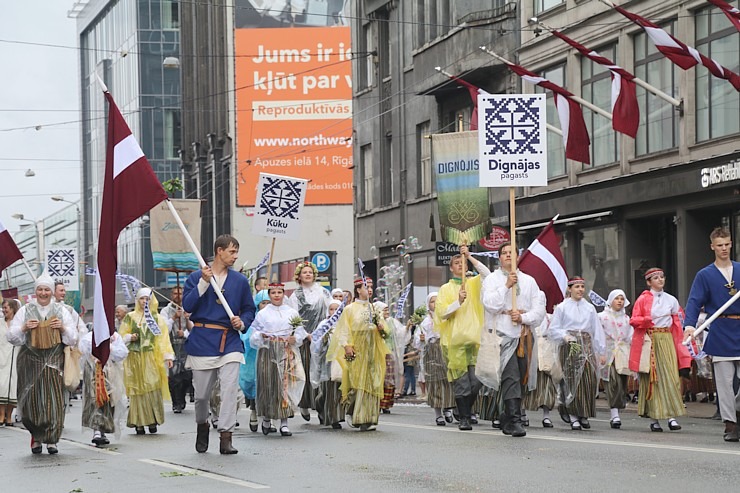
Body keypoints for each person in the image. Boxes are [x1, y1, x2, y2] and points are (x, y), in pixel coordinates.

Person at [182, 234, 256, 454]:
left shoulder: (240, 281)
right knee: (202, 395)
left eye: (236, 252)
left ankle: (226, 435)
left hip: (230, 341)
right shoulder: (196, 277)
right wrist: (204, 283)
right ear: (219, 251)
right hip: (203, 341)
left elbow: (249, 309)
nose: (235, 256)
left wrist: (242, 322)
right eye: (232, 251)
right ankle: (202, 424)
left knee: (229, 390)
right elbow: (188, 305)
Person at [7, 273, 79, 454]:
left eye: (47, 289)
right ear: (35, 291)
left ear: (52, 292)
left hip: (54, 361)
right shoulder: (25, 310)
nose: (43, 293)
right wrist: (24, 327)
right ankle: (36, 437)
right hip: (30, 361)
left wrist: (61, 327)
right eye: (40, 289)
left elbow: (73, 338)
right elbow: (11, 336)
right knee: (31, 402)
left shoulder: (62, 311)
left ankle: (52, 439)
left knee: (53, 400)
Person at [482, 242, 546, 437]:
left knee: (522, 378)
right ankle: (516, 419)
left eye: (512, 252)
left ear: (518, 256)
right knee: (511, 377)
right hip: (502, 334)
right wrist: (506, 286)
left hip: (524, 335)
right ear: (499, 257)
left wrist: (523, 318)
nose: (508, 255)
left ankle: (507, 416)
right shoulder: (492, 280)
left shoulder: (529, 281)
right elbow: (490, 304)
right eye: (504, 253)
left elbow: (539, 310)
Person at [685, 227, 740, 442]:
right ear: (712, 247)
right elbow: (694, 301)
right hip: (720, 331)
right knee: (725, 384)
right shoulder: (705, 275)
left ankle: (737, 410)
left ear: (731, 244)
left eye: (727, 244)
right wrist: (689, 325)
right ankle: (731, 424)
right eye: (720, 245)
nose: (724, 248)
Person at [435, 245, 491, 431]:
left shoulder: (475, 283)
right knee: (462, 383)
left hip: (475, 340)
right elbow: (442, 313)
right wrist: (457, 302)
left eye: (463, 262)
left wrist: (470, 256)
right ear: (451, 268)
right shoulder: (445, 288)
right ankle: (465, 417)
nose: (461, 265)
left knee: (476, 381)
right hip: (455, 342)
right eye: (457, 263)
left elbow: (487, 273)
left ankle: (462, 410)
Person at [629, 268, 690, 432]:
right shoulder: (642, 300)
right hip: (651, 339)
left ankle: (671, 416)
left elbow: (679, 322)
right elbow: (634, 320)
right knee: (653, 379)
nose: (660, 280)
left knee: (671, 376)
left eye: (662, 277)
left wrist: (682, 343)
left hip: (667, 339)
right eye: (656, 278)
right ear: (649, 282)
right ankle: (655, 419)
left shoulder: (671, 300)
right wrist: (647, 319)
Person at [329, 278, 390, 431]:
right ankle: (352, 411)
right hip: (357, 348)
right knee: (357, 383)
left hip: (373, 350)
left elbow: (385, 333)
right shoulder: (349, 309)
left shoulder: (374, 308)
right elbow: (343, 330)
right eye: (366, 287)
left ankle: (368, 418)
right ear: (358, 289)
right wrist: (347, 346)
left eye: (371, 287)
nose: (369, 290)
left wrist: (382, 327)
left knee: (373, 383)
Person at [548, 277, 606, 431]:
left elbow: (596, 329)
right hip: (570, 345)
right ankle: (573, 415)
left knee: (588, 379)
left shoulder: (589, 308)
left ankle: (584, 414)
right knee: (571, 380)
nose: (580, 290)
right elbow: (553, 329)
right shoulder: (562, 307)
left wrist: (600, 350)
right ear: (570, 289)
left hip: (586, 344)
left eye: (582, 287)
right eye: (577, 287)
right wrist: (564, 336)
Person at [250, 283, 307, 436]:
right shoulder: (263, 314)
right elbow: (254, 335)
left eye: (279, 292)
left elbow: (300, 333)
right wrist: (261, 336)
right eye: (273, 292)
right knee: (268, 384)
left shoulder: (291, 312)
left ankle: (284, 422)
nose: (276, 295)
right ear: (269, 295)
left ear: (283, 294)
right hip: (268, 352)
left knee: (285, 385)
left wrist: (295, 338)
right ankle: (267, 418)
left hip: (285, 351)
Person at [120, 288, 174, 435]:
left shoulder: (157, 319)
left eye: (147, 299)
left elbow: (163, 339)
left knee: (152, 387)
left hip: (151, 357)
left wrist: (168, 356)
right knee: (137, 390)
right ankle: (139, 422)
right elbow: (120, 336)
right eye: (142, 299)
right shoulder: (130, 317)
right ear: (137, 300)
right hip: (134, 358)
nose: (145, 301)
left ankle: (152, 420)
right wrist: (129, 337)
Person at [287, 261, 331, 421]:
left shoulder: (323, 293)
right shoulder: (295, 296)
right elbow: (294, 318)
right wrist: (306, 334)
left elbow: (330, 312)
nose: (307, 274)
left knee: (322, 371)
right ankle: (305, 404)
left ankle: (321, 405)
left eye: (310, 272)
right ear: (299, 276)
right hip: (305, 340)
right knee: (305, 371)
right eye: (304, 272)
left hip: (321, 339)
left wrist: (323, 331)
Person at [79, 331, 128, 447]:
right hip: (93, 371)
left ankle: (103, 428)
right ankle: (96, 429)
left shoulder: (115, 336)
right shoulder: (89, 336)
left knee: (108, 400)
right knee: (94, 397)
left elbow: (123, 353)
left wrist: (110, 348)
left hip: (110, 372)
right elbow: (83, 348)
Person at [416, 292, 456, 425]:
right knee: (434, 383)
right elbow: (417, 341)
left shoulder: (445, 317)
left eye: (437, 301)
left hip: (445, 350)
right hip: (431, 353)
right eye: (432, 301)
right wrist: (421, 339)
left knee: (447, 381)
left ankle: (448, 408)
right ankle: (438, 414)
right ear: (428, 305)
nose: (435, 303)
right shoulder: (425, 322)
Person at [598, 289, 633, 429]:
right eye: (617, 298)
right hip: (608, 353)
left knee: (622, 382)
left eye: (622, 299)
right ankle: (614, 414)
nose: (619, 301)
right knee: (612, 382)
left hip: (623, 353)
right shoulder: (601, 317)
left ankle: (617, 409)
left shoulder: (626, 319)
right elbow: (598, 335)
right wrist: (600, 352)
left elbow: (630, 336)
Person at [311, 298, 345, 429]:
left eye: (337, 309)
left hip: (341, 360)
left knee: (339, 390)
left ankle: (335, 416)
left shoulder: (344, 324)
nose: (334, 311)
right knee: (328, 389)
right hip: (327, 361)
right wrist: (324, 340)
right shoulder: (324, 324)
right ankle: (321, 407)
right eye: (331, 309)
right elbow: (316, 343)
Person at [240, 290, 270, 433]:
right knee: (252, 384)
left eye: (269, 302)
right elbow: (245, 337)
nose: (266, 306)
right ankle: (253, 411)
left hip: (271, 355)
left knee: (269, 384)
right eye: (263, 302)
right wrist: (257, 336)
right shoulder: (253, 319)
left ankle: (268, 416)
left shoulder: (277, 317)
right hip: (253, 357)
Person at [160, 286, 194, 413]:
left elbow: (193, 329)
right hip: (171, 345)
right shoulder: (165, 311)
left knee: (186, 375)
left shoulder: (188, 309)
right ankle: (176, 402)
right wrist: (174, 317)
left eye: (180, 293)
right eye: (175, 293)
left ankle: (183, 397)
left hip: (186, 345)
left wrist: (186, 320)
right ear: (171, 295)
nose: (177, 296)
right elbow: (163, 329)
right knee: (174, 376)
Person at [374, 301, 410, 414]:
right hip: (378, 354)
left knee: (389, 380)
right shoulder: (374, 322)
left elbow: (400, 333)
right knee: (379, 379)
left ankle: (386, 404)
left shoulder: (391, 322)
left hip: (389, 353)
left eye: (387, 310)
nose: (387, 312)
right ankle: (377, 403)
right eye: (384, 310)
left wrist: (408, 327)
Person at [0, 299, 20, 426]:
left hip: (15, 358)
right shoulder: (0, 323)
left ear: (12, 308)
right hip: (2, 357)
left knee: (13, 387)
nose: (4, 310)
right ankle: (1, 415)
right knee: (2, 386)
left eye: (6, 307)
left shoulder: (18, 324)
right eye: (3, 307)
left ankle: (9, 416)